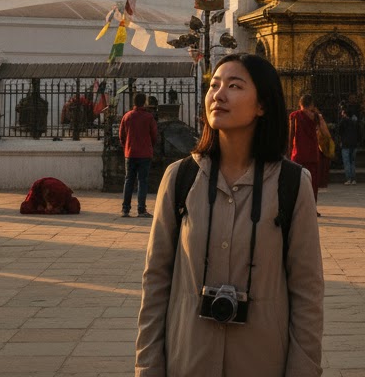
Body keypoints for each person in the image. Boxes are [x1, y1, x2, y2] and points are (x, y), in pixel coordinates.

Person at [135, 53, 323, 377]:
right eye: (214, 85)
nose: (218, 95)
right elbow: (156, 282)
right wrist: (148, 366)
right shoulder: (180, 179)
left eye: (234, 86)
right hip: (188, 360)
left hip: (261, 361)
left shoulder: (291, 184)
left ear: (262, 105)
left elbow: (307, 292)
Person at [120, 91, 159, 218]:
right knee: (142, 182)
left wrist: (126, 147)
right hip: (145, 154)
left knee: (128, 181)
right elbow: (154, 135)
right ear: (144, 102)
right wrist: (149, 146)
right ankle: (141, 209)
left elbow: (121, 136)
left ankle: (125, 209)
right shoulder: (149, 117)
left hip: (130, 153)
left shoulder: (127, 116)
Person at [288, 93, 321, 206]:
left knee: (297, 182)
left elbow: (291, 135)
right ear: (311, 104)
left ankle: (298, 207)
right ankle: (312, 207)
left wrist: (288, 151)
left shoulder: (294, 115)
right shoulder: (316, 116)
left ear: (300, 103)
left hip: (298, 154)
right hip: (312, 153)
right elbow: (322, 132)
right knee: (313, 182)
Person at [335, 103, 359, 185]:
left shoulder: (343, 121)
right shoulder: (354, 122)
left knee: (346, 162)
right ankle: (354, 179)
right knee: (352, 162)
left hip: (345, 144)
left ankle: (348, 179)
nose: (341, 113)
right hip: (354, 144)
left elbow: (339, 132)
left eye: (342, 112)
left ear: (345, 113)